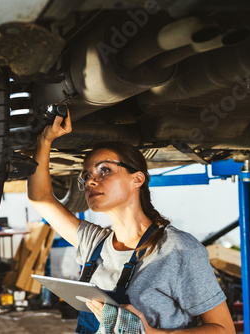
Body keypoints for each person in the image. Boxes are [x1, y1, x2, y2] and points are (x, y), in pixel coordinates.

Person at [27, 111, 235, 333]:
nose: (89, 181)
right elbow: (40, 197)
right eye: (85, 176)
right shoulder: (94, 243)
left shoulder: (178, 249)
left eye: (104, 170)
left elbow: (223, 329)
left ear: (137, 179)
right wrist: (45, 140)